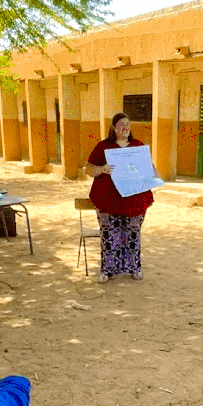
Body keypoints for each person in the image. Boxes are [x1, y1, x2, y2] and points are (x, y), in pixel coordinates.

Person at [84, 113, 154, 283]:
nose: (125, 127)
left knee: (132, 235)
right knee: (110, 235)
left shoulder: (137, 146)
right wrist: (102, 169)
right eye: (121, 124)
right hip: (108, 201)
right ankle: (108, 270)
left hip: (134, 201)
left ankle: (134, 268)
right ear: (113, 128)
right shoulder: (103, 147)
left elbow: (148, 170)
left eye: (127, 124)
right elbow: (88, 169)